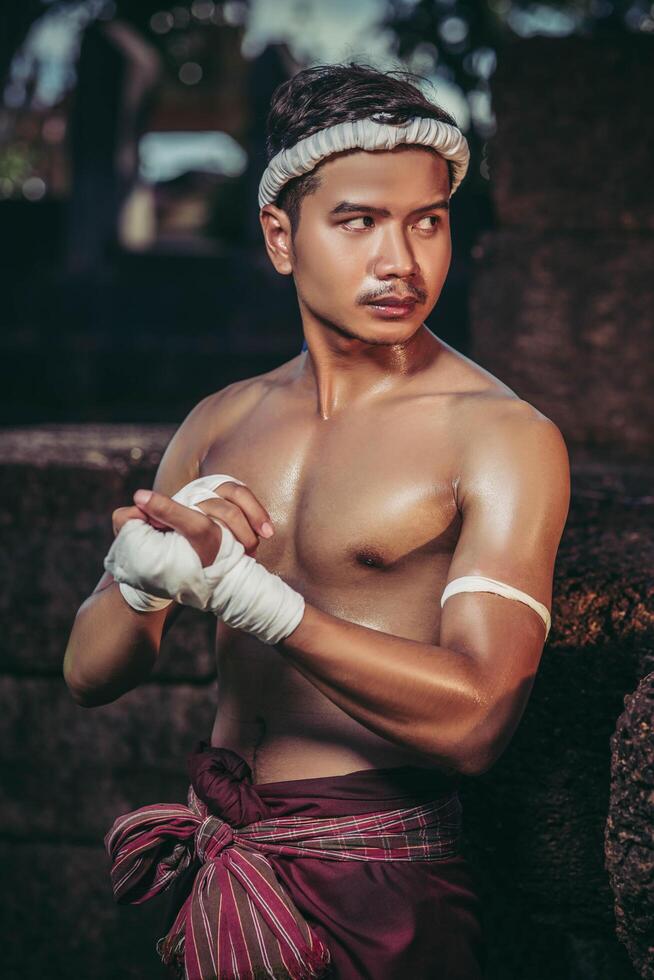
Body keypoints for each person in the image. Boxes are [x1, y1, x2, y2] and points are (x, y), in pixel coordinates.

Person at [63, 62, 570, 979]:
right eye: (359, 222)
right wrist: (138, 574)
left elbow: (480, 722)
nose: (401, 262)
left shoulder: (500, 436)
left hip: (383, 878)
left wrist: (256, 599)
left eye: (428, 221)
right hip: (225, 856)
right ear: (280, 237)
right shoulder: (221, 421)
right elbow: (90, 675)